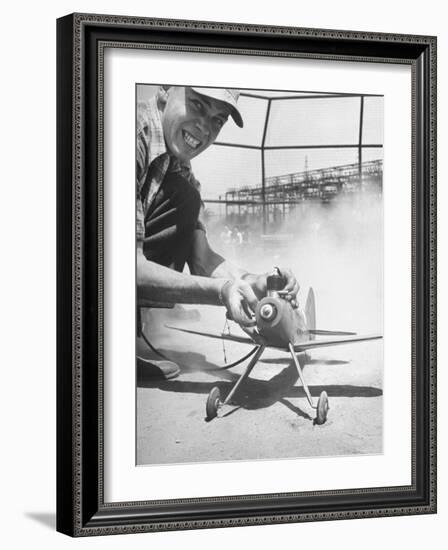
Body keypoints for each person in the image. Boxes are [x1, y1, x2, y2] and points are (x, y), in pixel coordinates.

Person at [136, 86, 299, 378]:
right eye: (197, 104)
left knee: (186, 196)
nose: (205, 126)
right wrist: (221, 292)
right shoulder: (126, 134)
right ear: (163, 92)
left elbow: (202, 260)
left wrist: (256, 283)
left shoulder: (180, 169)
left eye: (217, 120)